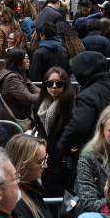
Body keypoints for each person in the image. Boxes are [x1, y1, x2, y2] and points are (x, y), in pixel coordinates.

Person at [34, 67, 75, 197]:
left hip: (62, 163)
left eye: (59, 83)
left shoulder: (71, 107)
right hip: (46, 161)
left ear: (65, 85)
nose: (54, 87)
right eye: (50, 83)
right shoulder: (41, 105)